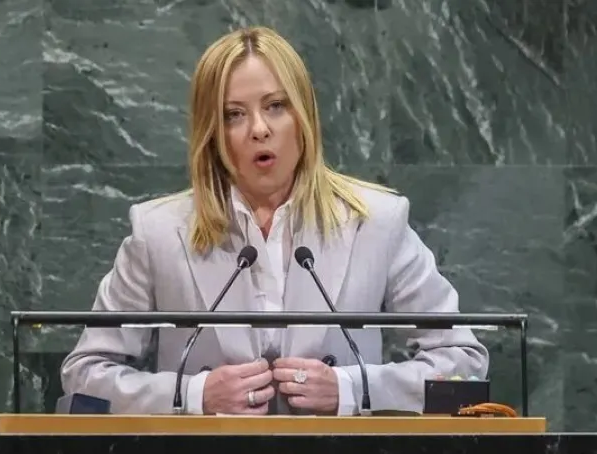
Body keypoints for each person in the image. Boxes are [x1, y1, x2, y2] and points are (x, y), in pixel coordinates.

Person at [60, 26, 489, 416]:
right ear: (212, 132)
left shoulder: (375, 222)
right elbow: (84, 374)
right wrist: (192, 395)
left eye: (276, 106)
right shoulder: (158, 232)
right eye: (234, 114)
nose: (259, 129)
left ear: (304, 117)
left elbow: (464, 365)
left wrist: (351, 389)